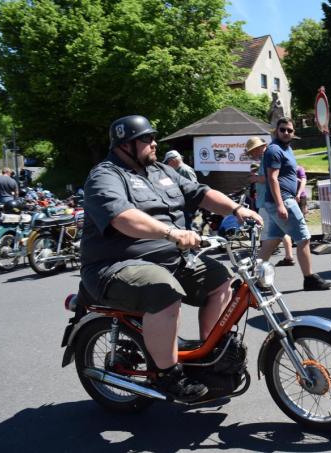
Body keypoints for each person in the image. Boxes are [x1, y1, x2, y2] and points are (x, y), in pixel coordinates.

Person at [80, 115, 262, 403]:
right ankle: (168, 375)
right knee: (164, 291)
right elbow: (122, 218)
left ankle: (211, 354)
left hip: (172, 258)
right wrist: (171, 233)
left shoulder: (161, 171)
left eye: (153, 137)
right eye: (146, 138)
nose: (154, 143)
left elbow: (201, 193)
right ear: (125, 144)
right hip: (115, 265)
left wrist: (238, 211)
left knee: (222, 282)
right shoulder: (105, 176)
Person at [258, 117, 331, 290]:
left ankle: (254, 278)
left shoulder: (287, 149)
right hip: (282, 200)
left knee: (272, 241)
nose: (286, 133)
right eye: (282, 129)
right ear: (276, 131)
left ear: (293, 132)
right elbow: (272, 178)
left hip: (282, 199)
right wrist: (281, 204)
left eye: (289, 130)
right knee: (304, 237)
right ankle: (309, 278)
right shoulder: (274, 150)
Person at [246, 136, 296, 267]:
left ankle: (261, 264)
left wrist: (255, 179)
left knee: (267, 232)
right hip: (268, 200)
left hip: (266, 201)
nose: (252, 154)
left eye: (252, 151)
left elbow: (268, 178)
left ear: (259, 148)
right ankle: (287, 256)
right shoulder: (266, 158)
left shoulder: (267, 158)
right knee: (279, 230)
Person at [164, 150, 199, 229]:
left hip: (188, 206)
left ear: (173, 160)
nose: (167, 164)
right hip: (183, 206)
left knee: (188, 228)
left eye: (167, 162)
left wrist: (191, 208)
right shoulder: (177, 170)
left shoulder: (185, 170)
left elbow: (194, 188)